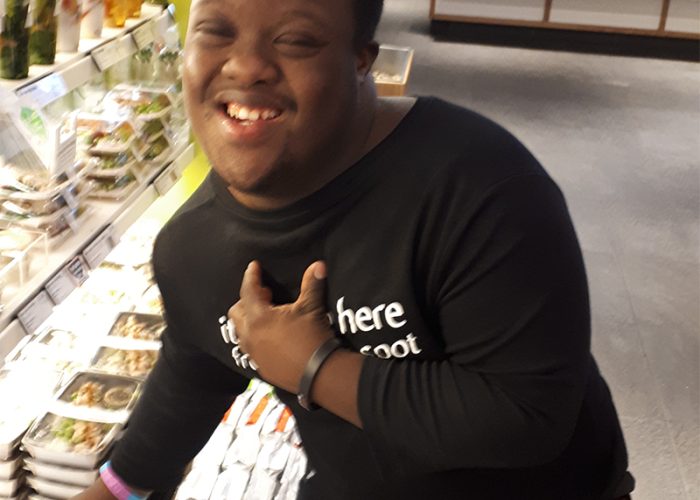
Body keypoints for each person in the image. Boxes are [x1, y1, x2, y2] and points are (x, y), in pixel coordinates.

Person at [75, 0, 635, 499]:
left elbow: (527, 417)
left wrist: (315, 368)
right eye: (215, 32)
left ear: (362, 58)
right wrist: (117, 487)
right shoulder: (192, 244)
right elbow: (196, 370)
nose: (245, 66)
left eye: (295, 40)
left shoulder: (479, 185)